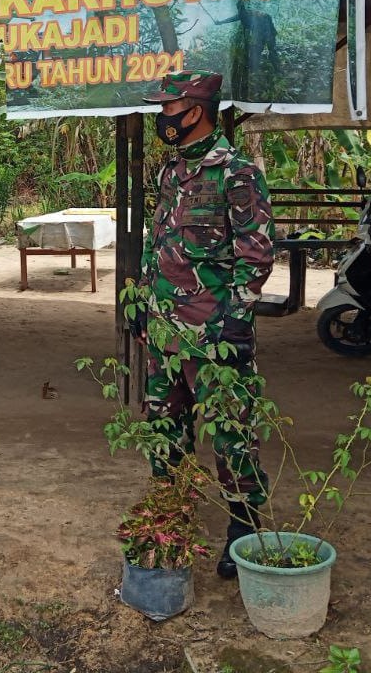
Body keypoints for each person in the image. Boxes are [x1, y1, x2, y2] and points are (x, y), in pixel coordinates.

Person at [135, 69, 274, 579]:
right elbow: (158, 245)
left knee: (231, 431)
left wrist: (237, 318)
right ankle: (172, 514)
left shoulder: (235, 172)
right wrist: (145, 307)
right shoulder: (171, 171)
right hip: (165, 330)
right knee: (164, 427)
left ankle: (243, 523)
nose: (162, 117)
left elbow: (255, 253)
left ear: (195, 111)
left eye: (168, 108)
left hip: (215, 333)